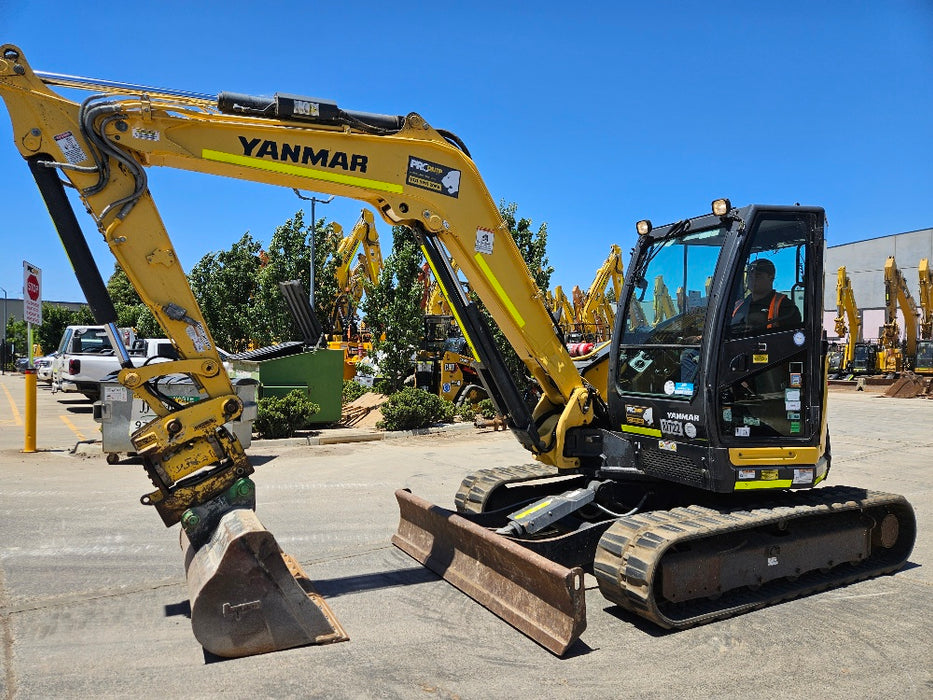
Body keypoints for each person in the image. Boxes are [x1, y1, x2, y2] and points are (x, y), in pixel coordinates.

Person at [730, 258, 801, 333]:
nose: (752, 279)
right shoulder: (737, 305)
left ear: (771, 277)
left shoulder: (785, 306)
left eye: (757, 275)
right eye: (750, 275)